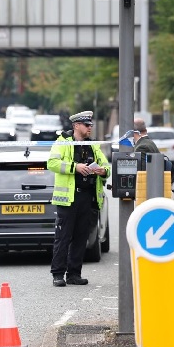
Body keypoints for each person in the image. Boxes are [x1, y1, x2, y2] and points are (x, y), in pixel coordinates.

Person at [47, 111, 110, 287]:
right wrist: (76, 167)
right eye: (87, 125)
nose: (90, 127)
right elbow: (51, 163)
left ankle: (74, 273)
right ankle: (58, 274)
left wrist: (103, 171)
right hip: (68, 198)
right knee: (63, 237)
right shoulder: (63, 142)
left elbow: (106, 165)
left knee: (81, 237)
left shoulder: (93, 145)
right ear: (76, 126)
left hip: (87, 197)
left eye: (91, 125)